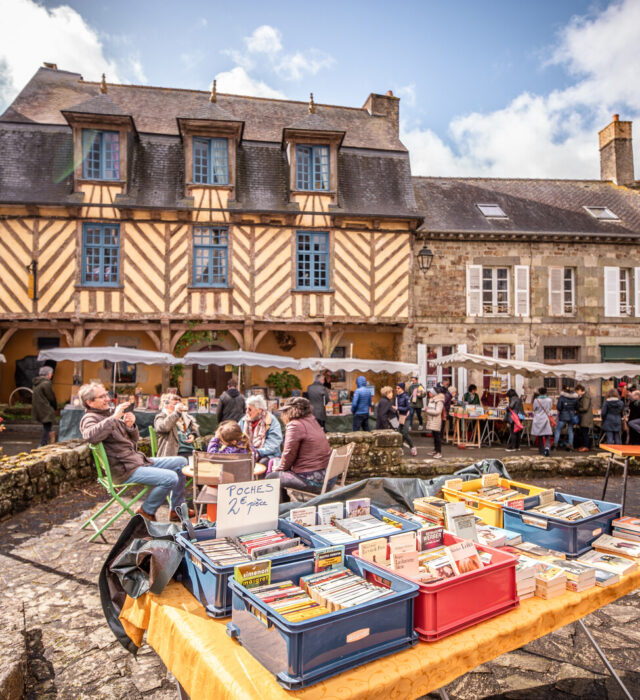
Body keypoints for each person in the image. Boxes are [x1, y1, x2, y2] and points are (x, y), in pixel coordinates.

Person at [79, 382, 192, 522]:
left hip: (135, 461)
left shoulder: (107, 415)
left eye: (106, 395)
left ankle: (176, 509)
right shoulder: (90, 419)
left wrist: (130, 426)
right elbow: (90, 436)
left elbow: (133, 442)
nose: (107, 398)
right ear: (89, 402)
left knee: (181, 462)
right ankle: (146, 511)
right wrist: (115, 417)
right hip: (124, 470)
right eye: (102, 396)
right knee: (170, 478)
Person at [265, 397, 332, 499]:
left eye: (284, 412)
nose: (282, 416)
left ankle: (279, 508)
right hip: (328, 476)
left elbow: (289, 454)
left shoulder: (295, 425)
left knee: (272, 476)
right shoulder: (312, 420)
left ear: (289, 412)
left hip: (314, 480)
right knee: (274, 463)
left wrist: (279, 469)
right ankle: (284, 503)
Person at [238, 394, 283, 469]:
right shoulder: (244, 420)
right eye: (246, 409)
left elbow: (274, 443)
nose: (246, 412)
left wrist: (257, 452)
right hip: (248, 453)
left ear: (259, 409)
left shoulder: (271, 420)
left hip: (268, 454)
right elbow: (236, 435)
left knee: (262, 462)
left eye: (249, 409)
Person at [154, 393, 199, 459]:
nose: (178, 406)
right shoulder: (161, 416)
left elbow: (195, 431)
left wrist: (193, 435)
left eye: (179, 404)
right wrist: (176, 413)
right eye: (175, 404)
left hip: (190, 450)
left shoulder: (186, 418)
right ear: (166, 405)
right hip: (174, 453)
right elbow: (163, 427)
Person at [31, 365, 57, 447]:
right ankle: (42, 444)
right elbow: (51, 397)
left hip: (39, 408)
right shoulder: (46, 383)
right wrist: (54, 406)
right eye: (51, 374)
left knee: (47, 426)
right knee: (47, 426)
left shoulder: (37, 383)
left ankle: (45, 443)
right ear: (48, 374)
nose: (51, 375)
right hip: (45, 408)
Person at [553, 385, 579, 450]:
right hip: (571, 416)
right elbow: (577, 407)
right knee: (570, 430)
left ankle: (555, 444)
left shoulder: (562, 397)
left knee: (558, 429)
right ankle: (570, 445)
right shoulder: (575, 398)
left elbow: (559, 407)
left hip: (563, 416)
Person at [395, 382, 417, 456]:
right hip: (399, 417)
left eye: (399, 388)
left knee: (405, 432)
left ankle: (412, 447)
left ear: (402, 389)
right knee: (400, 433)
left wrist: (398, 408)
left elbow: (408, 407)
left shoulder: (406, 397)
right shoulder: (397, 397)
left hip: (406, 417)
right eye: (396, 388)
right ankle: (401, 449)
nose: (397, 390)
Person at [531, 387, 553, 456]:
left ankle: (541, 450)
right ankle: (547, 448)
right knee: (547, 435)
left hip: (538, 418)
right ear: (546, 392)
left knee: (539, 435)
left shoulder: (536, 400)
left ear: (539, 392)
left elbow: (534, 408)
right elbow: (550, 407)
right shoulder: (549, 400)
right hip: (546, 418)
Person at [425, 388, 445, 459]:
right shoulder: (432, 400)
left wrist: (428, 410)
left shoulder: (439, 401)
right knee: (434, 436)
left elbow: (438, 411)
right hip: (431, 420)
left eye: (430, 392)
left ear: (434, 393)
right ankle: (435, 450)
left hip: (436, 421)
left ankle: (439, 452)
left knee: (437, 437)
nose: (429, 394)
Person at [575, 384, 593, 452]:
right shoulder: (584, 396)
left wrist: (578, 409)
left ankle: (586, 446)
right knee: (583, 432)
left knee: (585, 432)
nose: (577, 393)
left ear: (580, 390)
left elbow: (585, 407)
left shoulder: (586, 397)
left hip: (585, 417)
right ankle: (584, 445)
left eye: (577, 391)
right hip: (584, 417)